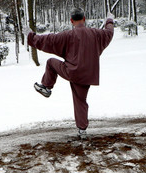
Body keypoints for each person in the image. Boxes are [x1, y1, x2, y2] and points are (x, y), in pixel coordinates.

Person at [27, 8, 114, 139]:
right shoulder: (96, 34)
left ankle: (46, 87)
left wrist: (31, 36)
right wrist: (109, 20)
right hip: (88, 75)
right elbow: (109, 33)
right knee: (80, 100)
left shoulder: (68, 35)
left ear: (71, 21)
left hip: (72, 72)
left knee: (51, 62)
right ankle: (82, 130)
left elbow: (49, 40)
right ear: (84, 19)